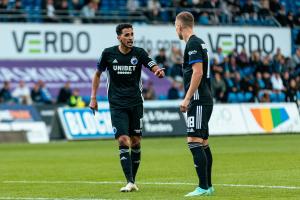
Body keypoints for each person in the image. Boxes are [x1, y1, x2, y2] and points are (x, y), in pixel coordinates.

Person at [89, 23, 165, 192]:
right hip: (117, 104)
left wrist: (158, 71)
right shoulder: (108, 53)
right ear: (119, 37)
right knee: (123, 140)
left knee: (136, 142)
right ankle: (129, 181)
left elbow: (152, 65)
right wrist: (93, 97)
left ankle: (133, 180)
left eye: (132, 34)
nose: (130, 38)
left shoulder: (139, 53)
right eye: (127, 35)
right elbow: (97, 74)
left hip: (136, 103)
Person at [175, 11, 214, 196]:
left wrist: (187, 98)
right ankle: (208, 186)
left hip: (198, 100)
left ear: (180, 26)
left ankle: (203, 187)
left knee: (194, 141)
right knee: (203, 143)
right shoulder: (200, 42)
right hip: (205, 98)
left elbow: (198, 73)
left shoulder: (192, 44)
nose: (176, 29)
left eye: (176, 26)